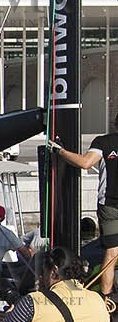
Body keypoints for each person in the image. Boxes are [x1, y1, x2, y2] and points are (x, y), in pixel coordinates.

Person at [50, 115, 118, 300]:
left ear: (115, 124)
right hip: (110, 205)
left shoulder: (104, 142)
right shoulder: (104, 142)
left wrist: (60, 151)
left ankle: (106, 299)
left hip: (109, 205)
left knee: (112, 253)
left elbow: (85, 163)